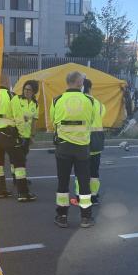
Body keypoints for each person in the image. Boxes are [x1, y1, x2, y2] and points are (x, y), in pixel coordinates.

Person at [50, 71, 96, 228]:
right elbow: (91, 120)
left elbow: (53, 121)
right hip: (82, 149)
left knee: (62, 183)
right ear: (79, 83)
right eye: (82, 81)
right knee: (84, 183)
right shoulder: (89, 100)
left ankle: (62, 216)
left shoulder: (57, 100)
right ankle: (86, 217)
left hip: (63, 147)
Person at [0, 74, 36, 202]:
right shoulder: (12, 96)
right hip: (8, 132)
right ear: (6, 81)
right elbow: (19, 117)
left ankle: (1, 190)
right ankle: (23, 193)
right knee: (19, 162)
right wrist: (22, 135)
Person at [74, 78, 106, 204]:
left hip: (82, 141)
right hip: (96, 140)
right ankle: (94, 196)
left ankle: (79, 196)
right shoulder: (98, 103)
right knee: (94, 172)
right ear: (90, 88)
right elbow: (101, 115)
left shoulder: (79, 102)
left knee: (80, 171)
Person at [10, 80, 39, 182]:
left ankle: (16, 177)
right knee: (19, 159)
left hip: (26, 137)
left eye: (29, 90)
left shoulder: (35, 104)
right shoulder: (16, 99)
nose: (26, 91)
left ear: (34, 91)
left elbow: (34, 121)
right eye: (25, 89)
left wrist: (32, 136)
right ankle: (20, 179)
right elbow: (11, 114)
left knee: (21, 158)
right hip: (15, 134)